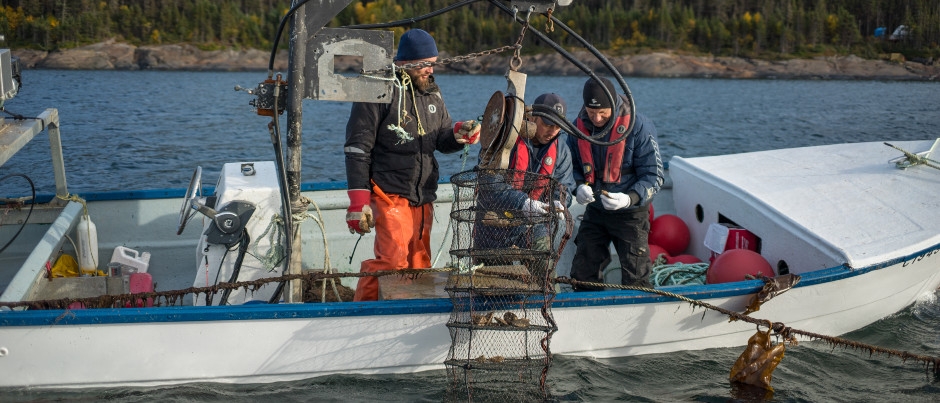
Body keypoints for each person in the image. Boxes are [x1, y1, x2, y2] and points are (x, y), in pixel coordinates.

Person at [344, 29, 480, 301]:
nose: (430, 70)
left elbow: (440, 137)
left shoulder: (431, 91)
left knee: (419, 265)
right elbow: (357, 148)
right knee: (392, 262)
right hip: (389, 193)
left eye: (433, 63)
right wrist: (359, 201)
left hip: (422, 196)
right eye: (425, 64)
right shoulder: (376, 88)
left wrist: (458, 134)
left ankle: (409, 317)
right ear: (405, 63)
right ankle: (363, 311)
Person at [567, 76, 664, 290]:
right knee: (583, 271)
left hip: (631, 213)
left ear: (613, 105)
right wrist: (579, 186)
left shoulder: (639, 126)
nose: (597, 118)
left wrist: (629, 198)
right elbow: (569, 167)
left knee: (636, 275)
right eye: (592, 113)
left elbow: (654, 176)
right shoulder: (578, 127)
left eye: (603, 112)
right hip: (596, 209)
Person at [472, 93, 575, 281]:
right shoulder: (502, 138)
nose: (552, 130)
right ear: (531, 118)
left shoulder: (562, 150)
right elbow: (489, 181)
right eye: (547, 124)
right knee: (490, 284)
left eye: (557, 126)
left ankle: (548, 305)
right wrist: (523, 203)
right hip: (493, 224)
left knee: (547, 277)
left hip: (533, 226)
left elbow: (564, 185)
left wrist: (558, 202)